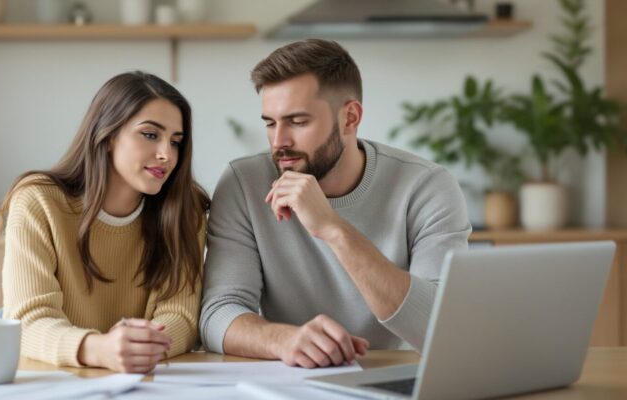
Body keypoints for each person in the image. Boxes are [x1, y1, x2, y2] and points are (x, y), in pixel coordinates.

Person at [199, 39, 471, 369]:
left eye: (298, 122)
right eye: (270, 123)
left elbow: (438, 328)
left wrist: (332, 228)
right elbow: (217, 314)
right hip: (290, 377)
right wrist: (285, 340)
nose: (279, 141)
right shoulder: (244, 183)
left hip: (394, 375)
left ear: (350, 118)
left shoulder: (427, 187)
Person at [0, 71, 209, 373]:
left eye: (176, 142)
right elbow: (28, 322)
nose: (167, 155)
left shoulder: (186, 210)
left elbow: (181, 317)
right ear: (108, 135)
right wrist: (100, 349)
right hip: (55, 376)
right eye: (150, 135)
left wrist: (139, 346)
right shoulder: (38, 202)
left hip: (143, 379)